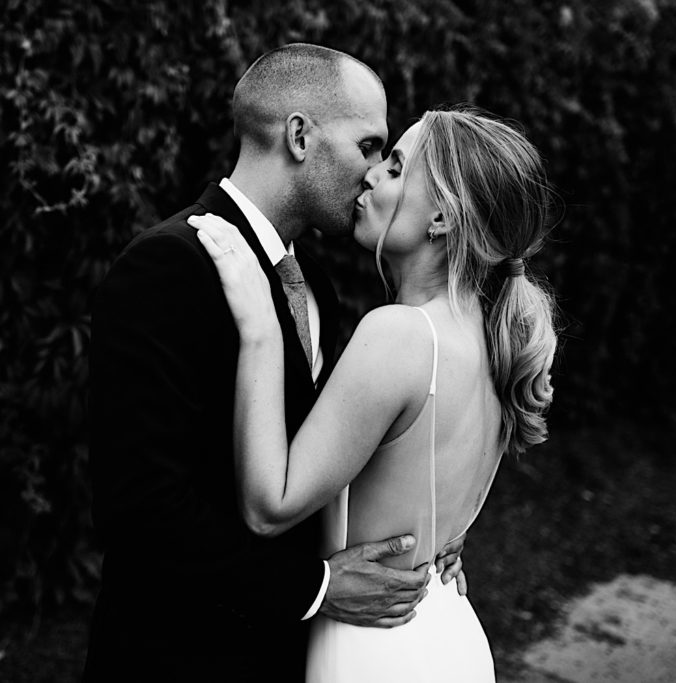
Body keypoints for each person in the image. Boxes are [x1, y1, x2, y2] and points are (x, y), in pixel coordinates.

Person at [84, 44, 465, 683]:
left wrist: (422, 539)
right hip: (177, 658)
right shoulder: (169, 265)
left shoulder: (316, 279)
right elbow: (138, 508)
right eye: (370, 146)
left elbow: (325, 458)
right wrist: (313, 588)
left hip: (291, 661)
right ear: (298, 136)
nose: (375, 173)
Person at [188, 106, 558, 681]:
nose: (370, 176)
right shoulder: (495, 339)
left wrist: (260, 327)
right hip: (449, 632)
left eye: (395, 167)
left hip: (375, 649)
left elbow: (270, 506)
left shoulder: (401, 335)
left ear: (440, 216)